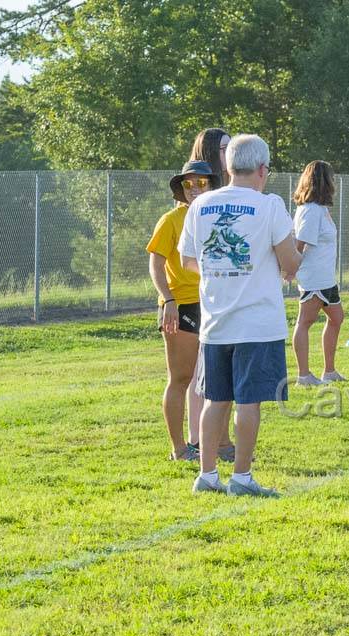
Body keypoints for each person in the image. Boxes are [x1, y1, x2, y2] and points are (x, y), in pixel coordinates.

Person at [179, 134, 302, 496]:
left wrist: (222, 273)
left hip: (215, 321)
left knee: (216, 399)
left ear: (228, 167)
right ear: (263, 169)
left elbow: (188, 261)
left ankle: (208, 475)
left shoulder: (200, 206)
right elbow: (290, 261)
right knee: (249, 402)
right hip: (257, 322)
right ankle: (243, 478)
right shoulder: (270, 205)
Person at [147, 160, 220, 462]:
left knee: (215, 377)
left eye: (201, 183)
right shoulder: (171, 220)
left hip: (213, 302)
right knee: (181, 377)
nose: (194, 189)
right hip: (182, 304)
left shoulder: (215, 217)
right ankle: (179, 448)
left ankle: (217, 444)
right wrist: (168, 301)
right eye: (189, 183)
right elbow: (155, 263)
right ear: (180, 187)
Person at [291, 160, 346, 385]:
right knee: (305, 321)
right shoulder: (311, 211)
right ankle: (303, 375)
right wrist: (290, 270)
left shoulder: (320, 210)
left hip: (326, 279)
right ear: (323, 181)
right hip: (313, 279)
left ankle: (329, 371)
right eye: (330, 178)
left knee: (336, 318)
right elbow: (298, 244)